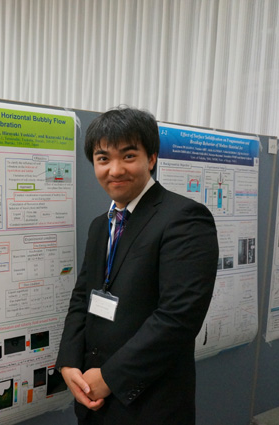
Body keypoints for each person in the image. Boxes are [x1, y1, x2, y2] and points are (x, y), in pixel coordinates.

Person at [55, 107, 218, 425]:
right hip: (92, 398)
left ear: (151, 158)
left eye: (128, 156)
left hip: (149, 403)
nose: (115, 170)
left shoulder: (184, 218)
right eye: (103, 159)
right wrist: (69, 362)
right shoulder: (100, 225)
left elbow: (178, 318)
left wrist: (110, 377)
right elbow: (82, 297)